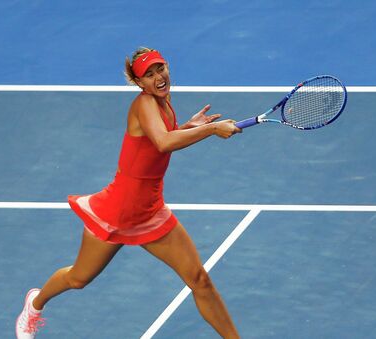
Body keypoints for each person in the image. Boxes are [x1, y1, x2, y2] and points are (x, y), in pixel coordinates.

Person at [15, 47, 242, 338]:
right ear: (139, 84)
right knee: (79, 278)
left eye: (160, 68)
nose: (158, 77)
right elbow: (162, 142)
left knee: (199, 279)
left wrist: (187, 126)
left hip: (150, 211)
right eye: (149, 74)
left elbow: (158, 141)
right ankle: (34, 304)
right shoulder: (144, 104)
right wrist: (210, 131)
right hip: (118, 211)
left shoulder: (165, 102)